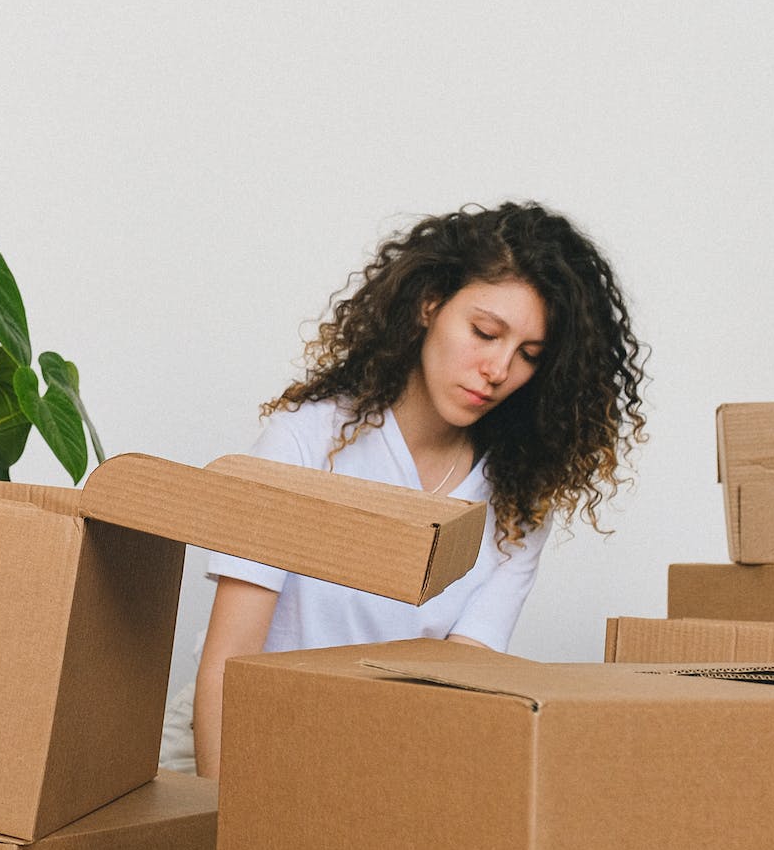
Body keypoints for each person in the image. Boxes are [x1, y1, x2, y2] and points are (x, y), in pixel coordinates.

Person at [191, 201, 647, 778]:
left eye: (529, 355)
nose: (499, 368)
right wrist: (219, 826)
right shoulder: (305, 442)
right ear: (429, 304)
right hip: (259, 747)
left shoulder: (518, 503)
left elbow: (455, 687)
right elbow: (229, 661)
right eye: (485, 332)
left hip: (394, 763)